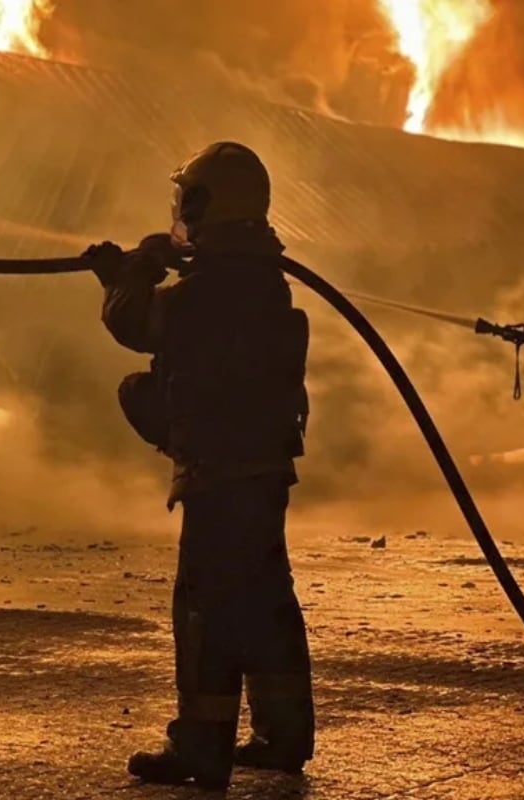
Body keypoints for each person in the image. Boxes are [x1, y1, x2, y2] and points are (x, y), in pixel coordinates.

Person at [84, 142, 314, 790]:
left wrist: (129, 272)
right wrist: (141, 268)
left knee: (206, 605)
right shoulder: (265, 283)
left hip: (218, 471)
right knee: (266, 599)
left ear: (201, 204)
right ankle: (284, 732)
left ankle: (202, 746)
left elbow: (137, 323)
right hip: (265, 468)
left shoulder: (201, 294)